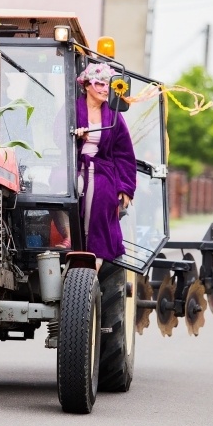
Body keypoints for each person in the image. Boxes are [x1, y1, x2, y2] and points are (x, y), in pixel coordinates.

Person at [53, 63, 136, 271]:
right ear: (87, 85)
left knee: (101, 200)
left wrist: (126, 187)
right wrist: (75, 136)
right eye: (99, 84)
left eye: (107, 85)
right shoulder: (71, 108)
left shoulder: (114, 115)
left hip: (102, 170)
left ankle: (94, 263)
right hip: (75, 164)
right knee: (62, 183)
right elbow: (57, 135)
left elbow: (124, 153)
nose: (105, 89)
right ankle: (69, 236)